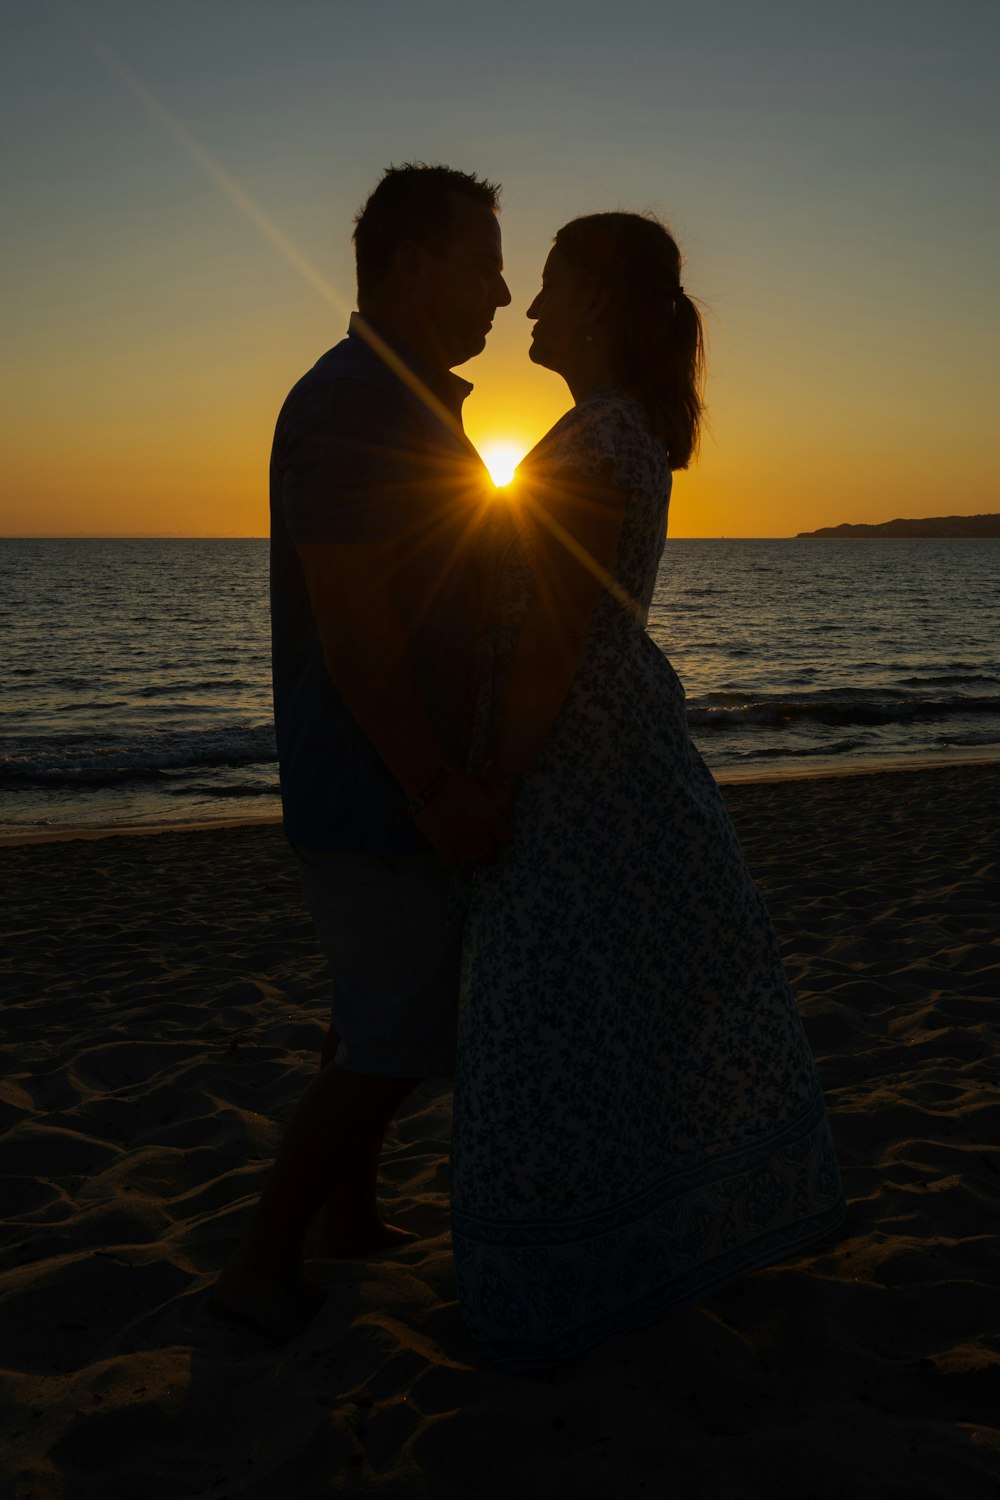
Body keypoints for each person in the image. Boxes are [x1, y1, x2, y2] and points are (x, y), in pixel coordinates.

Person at [451, 212, 846, 1368]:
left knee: (558, 1015)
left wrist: (495, 783)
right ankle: (642, 1246)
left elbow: (549, 649)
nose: (526, 307)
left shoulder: (598, 444)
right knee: (608, 1012)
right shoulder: (603, 433)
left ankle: (582, 1272)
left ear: (596, 305)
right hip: (617, 755)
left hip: (585, 773)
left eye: (550, 287)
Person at [214, 163, 511, 1337]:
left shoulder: (407, 399)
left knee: (369, 1012)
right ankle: (259, 1259)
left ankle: (344, 1220)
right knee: (393, 1037)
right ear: (411, 261)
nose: (499, 286)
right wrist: (432, 782)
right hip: (373, 783)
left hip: (392, 777)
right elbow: (353, 620)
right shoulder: (354, 404)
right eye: (483, 258)